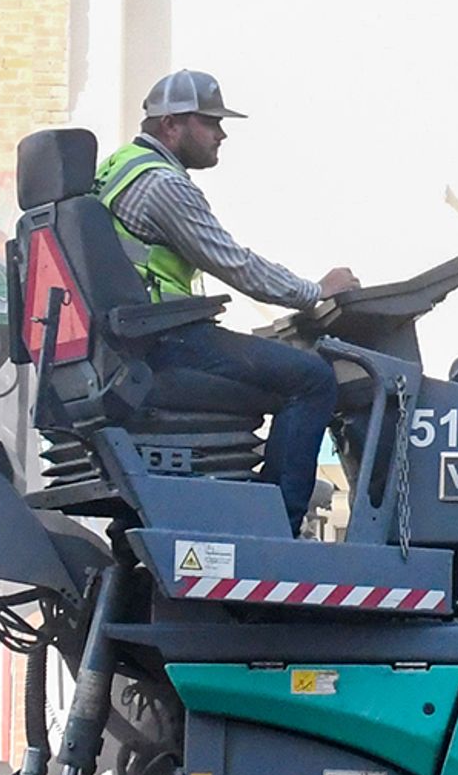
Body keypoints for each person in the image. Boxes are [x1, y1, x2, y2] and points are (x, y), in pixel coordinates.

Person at [96, 68, 360, 528]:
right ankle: (278, 522)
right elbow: (234, 264)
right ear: (170, 124)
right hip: (164, 342)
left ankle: (251, 502)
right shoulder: (163, 185)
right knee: (313, 378)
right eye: (209, 122)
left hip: (138, 338)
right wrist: (316, 292)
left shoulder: (120, 167)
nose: (221, 134)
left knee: (283, 366)